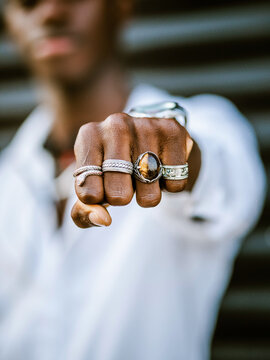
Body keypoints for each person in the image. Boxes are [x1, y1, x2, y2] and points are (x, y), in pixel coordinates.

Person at [0, 0, 266, 359]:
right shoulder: (8, 175)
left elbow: (231, 187)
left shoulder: (208, 125)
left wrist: (176, 152)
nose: (50, 12)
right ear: (9, 23)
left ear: (121, 7)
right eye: (27, 1)